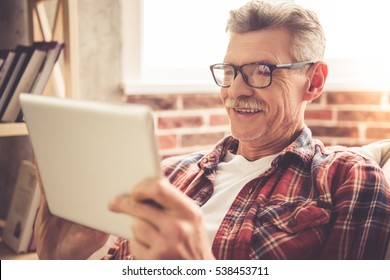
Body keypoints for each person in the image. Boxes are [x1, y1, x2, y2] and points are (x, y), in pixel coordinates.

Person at [34, 0, 390, 260]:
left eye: (262, 70)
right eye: (230, 70)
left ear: (313, 82)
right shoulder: (168, 176)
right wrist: (58, 264)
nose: (236, 90)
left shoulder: (347, 177)